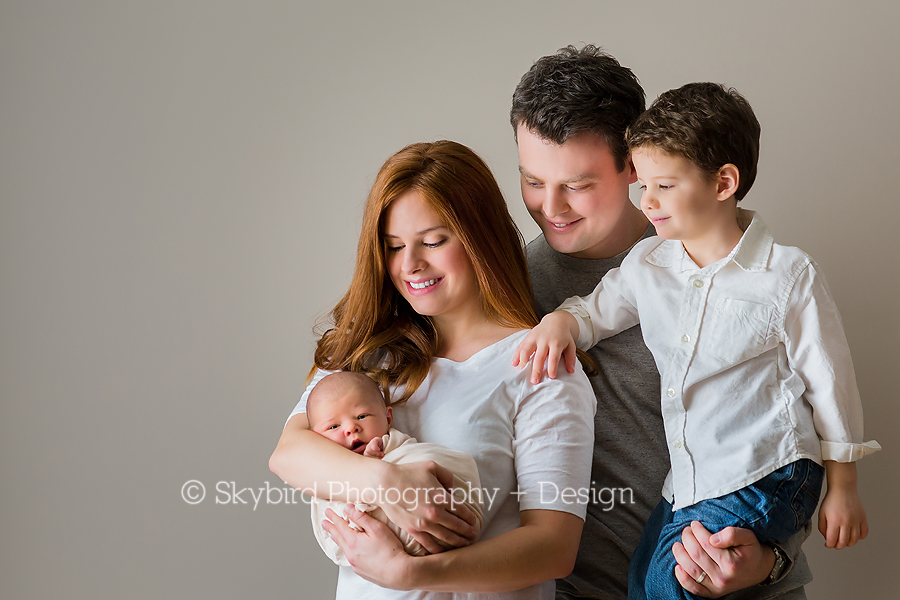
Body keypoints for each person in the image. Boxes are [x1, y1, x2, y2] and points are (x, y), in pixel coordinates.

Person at [513, 82, 880, 600]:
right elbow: (595, 310)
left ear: (722, 182)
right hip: (688, 486)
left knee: (668, 582)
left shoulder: (785, 275)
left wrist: (840, 492)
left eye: (577, 183)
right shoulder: (632, 268)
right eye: (532, 180)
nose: (648, 202)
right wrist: (561, 323)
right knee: (647, 580)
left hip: (766, 474)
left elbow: (829, 383)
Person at [269, 140, 597, 599]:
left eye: (433, 241)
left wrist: (411, 574)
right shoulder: (368, 352)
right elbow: (288, 455)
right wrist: (388, 483)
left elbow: (552, 546)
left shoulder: (538, 366)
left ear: (480, 236)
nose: (410, 264)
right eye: (394, 246)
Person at [305, 371, 485, 567]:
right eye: (333, 427)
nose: (351, 427)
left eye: (362, 416)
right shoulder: (321, 465)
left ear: (388, 418)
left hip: (442, 504)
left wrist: (375, 459)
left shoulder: (393, 445)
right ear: (316, 438)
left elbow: (404, 455)